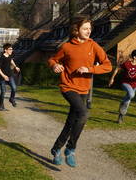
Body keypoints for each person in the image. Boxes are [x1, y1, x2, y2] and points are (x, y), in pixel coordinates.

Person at [48, 16, 112, 167]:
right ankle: (70, 149)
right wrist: (54, 66)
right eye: (85, 28)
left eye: (90, 28)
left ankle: (56, 148)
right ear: (76, 30)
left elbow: (107, 65)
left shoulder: (93, 46)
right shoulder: (66, 47)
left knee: (72, 121)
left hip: (84, 88)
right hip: (68, 86)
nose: (88, 31)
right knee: (83, 114)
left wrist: (90, 69)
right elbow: (52, 59)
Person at [108, 49, 136, 124]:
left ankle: (121, 116)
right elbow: (117, 68)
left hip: (134, 85)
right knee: (131, 95)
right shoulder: (127, 64)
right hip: (125, 83)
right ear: (134, 57)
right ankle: (122, 104)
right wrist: (112, 79)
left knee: (127, 102)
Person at [0, 43, 21, 111]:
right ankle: (1, 106)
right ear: (5, 50)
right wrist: (4, 76)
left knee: (14, 88)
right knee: (3, 91)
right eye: (10, 49)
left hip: (9, 75)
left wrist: (15, 67)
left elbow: (11, 60)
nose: (11, 50)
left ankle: (11, 99)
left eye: (12, 49)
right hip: (2, 77)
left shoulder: (10, 55)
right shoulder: (2, 58)